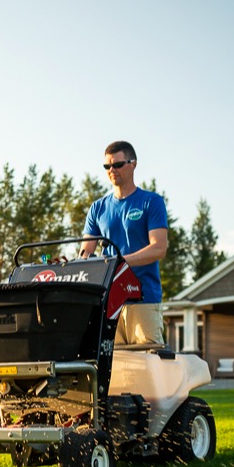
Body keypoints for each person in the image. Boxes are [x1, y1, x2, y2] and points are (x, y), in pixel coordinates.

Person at [80, 140, 168, 345]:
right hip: (108, 302)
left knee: (149, 366)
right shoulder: (97, 208)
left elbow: (159, 248)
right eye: (107, 166)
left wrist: (119, 262)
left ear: (133, 164)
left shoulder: (151, 202)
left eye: (117, 165)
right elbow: (85, 252)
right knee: (114, 371)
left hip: (144, 299)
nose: (112, 170)